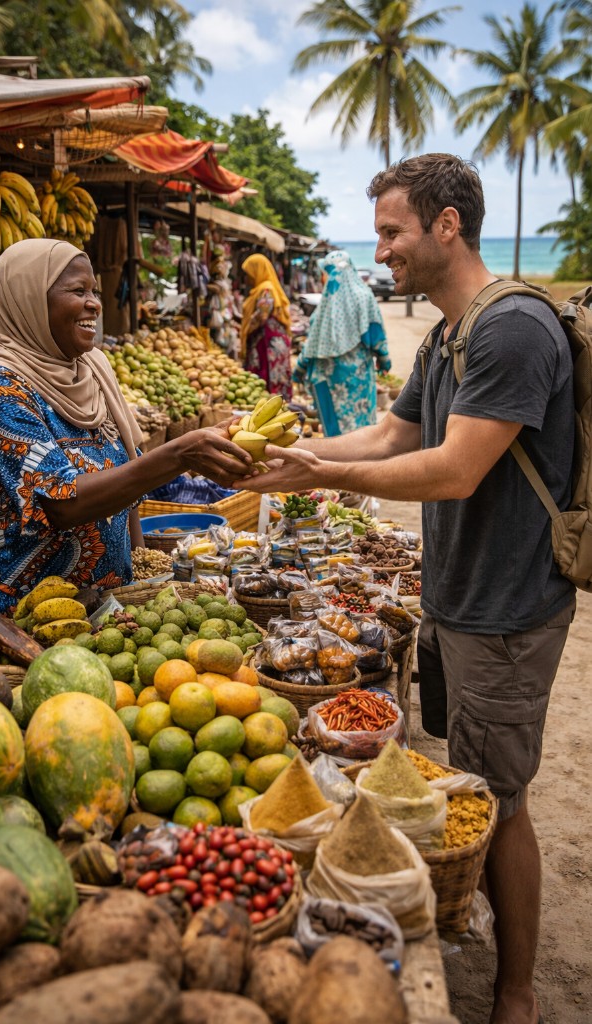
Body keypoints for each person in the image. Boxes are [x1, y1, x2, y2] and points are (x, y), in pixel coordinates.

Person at [238, 153, 575, 1024]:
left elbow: (456, 470)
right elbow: (392, 434)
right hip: (459, 599)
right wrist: (301, 462)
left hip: (507, 609)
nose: (381, 250)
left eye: (392, 232)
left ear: (447, 225)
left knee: (501, 798)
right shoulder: (450, 333)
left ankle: (517, 993)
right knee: (470, 779)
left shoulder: (511, 331)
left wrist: (318, 479)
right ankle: (479, 941)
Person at [0, 238, 250, 628]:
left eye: (95, 292)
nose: (95, 304)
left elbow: (127, 471)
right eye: (78, 291)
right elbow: (62, 503)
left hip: (100, 608)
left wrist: (137, 572)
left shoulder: (93, 368)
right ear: (29, 300)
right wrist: (177, 455)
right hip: (12, 612)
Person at [293, 249, 391, 435]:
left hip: (327, 376)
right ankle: (360, 459)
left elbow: (312, 343)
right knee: (360, 424)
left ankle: (336, 460)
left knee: (334, 426)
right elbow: (376, 333)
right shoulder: (364, 296)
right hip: (357, 377)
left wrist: (299, 369)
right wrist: (384, 359)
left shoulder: (326, 303)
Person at [240, 253, 292, 401]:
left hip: (268, 346)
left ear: (257, 271)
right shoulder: (262, 289)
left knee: (268, 390)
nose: (246, 278)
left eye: (248, 274)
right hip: (266, 342)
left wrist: (246, 328)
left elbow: (262, 315)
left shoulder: (266, 289)